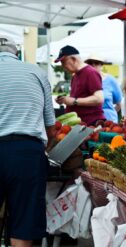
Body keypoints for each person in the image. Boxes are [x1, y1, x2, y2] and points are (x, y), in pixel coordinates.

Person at [0, 35, 55, 247]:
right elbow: (50, 125)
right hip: (26, 153)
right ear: (17, 53)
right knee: (24, 221)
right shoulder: (36, 72)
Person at [55, 45, 105, 126]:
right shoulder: (75, 75)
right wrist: (65, 100)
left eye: (64, 62)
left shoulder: (90, 72)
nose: (63, 66)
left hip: (91, 124)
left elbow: (99, 99)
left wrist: (74, 101)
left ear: (74, 59)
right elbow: (78, 97)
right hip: (81, 124)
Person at [85, 54, 123, 123]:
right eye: (90, 63)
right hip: (90, 122)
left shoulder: (111, 80)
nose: (93, 65)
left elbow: (118, 104)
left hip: (109, 122)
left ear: (101, 65)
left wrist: (108, 114)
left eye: (96, 63)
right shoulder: (84, 81)